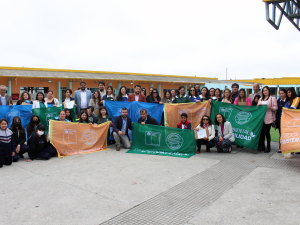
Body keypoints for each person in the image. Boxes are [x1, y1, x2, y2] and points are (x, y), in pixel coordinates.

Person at [257, 86, 278, 152]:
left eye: (266, 90)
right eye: (264, 90)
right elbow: (257, 108)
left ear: (269, 91)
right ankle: (262, 146)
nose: (265, 92)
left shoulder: (272, 98)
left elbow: (276, 108)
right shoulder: (261, 99)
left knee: (267, 132)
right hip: (261, 118)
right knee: (261, 133)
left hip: (269, 118)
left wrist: (270, 107)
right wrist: (259, 106)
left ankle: (268, 147)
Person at [276, 88, 288, 153]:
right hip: (279, 120)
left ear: (285, 94)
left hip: (286, 120)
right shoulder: (278, 101)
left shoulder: (288, 101)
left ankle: (287, 147)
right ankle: (280, 148)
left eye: (282, 93)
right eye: (280, 93)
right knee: (281, 134)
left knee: (286, 134)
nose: (281, 94)